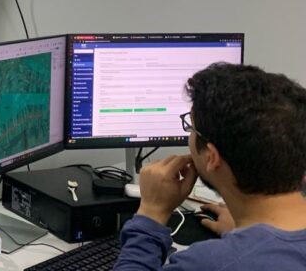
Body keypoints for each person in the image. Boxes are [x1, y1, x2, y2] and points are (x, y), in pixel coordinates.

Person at [114, 63, 306, 270]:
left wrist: (152, 212)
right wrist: (242, 233)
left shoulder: (207, 263)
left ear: (211, 157)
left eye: (191, 127)